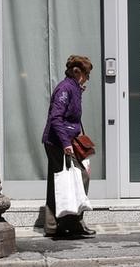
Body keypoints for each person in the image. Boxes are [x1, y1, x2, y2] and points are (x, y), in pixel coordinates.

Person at [41, 55, 95, 238]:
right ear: (77, 72)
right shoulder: (65, 88)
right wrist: (66, 144)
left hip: (62, 141)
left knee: (58, 181)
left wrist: (79, 91)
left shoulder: (73, 87)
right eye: (86, 74)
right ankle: (72, 223)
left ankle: (53, 225)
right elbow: (56, 118)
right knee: (78, 178)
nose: (87, 78)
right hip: (58, 142)